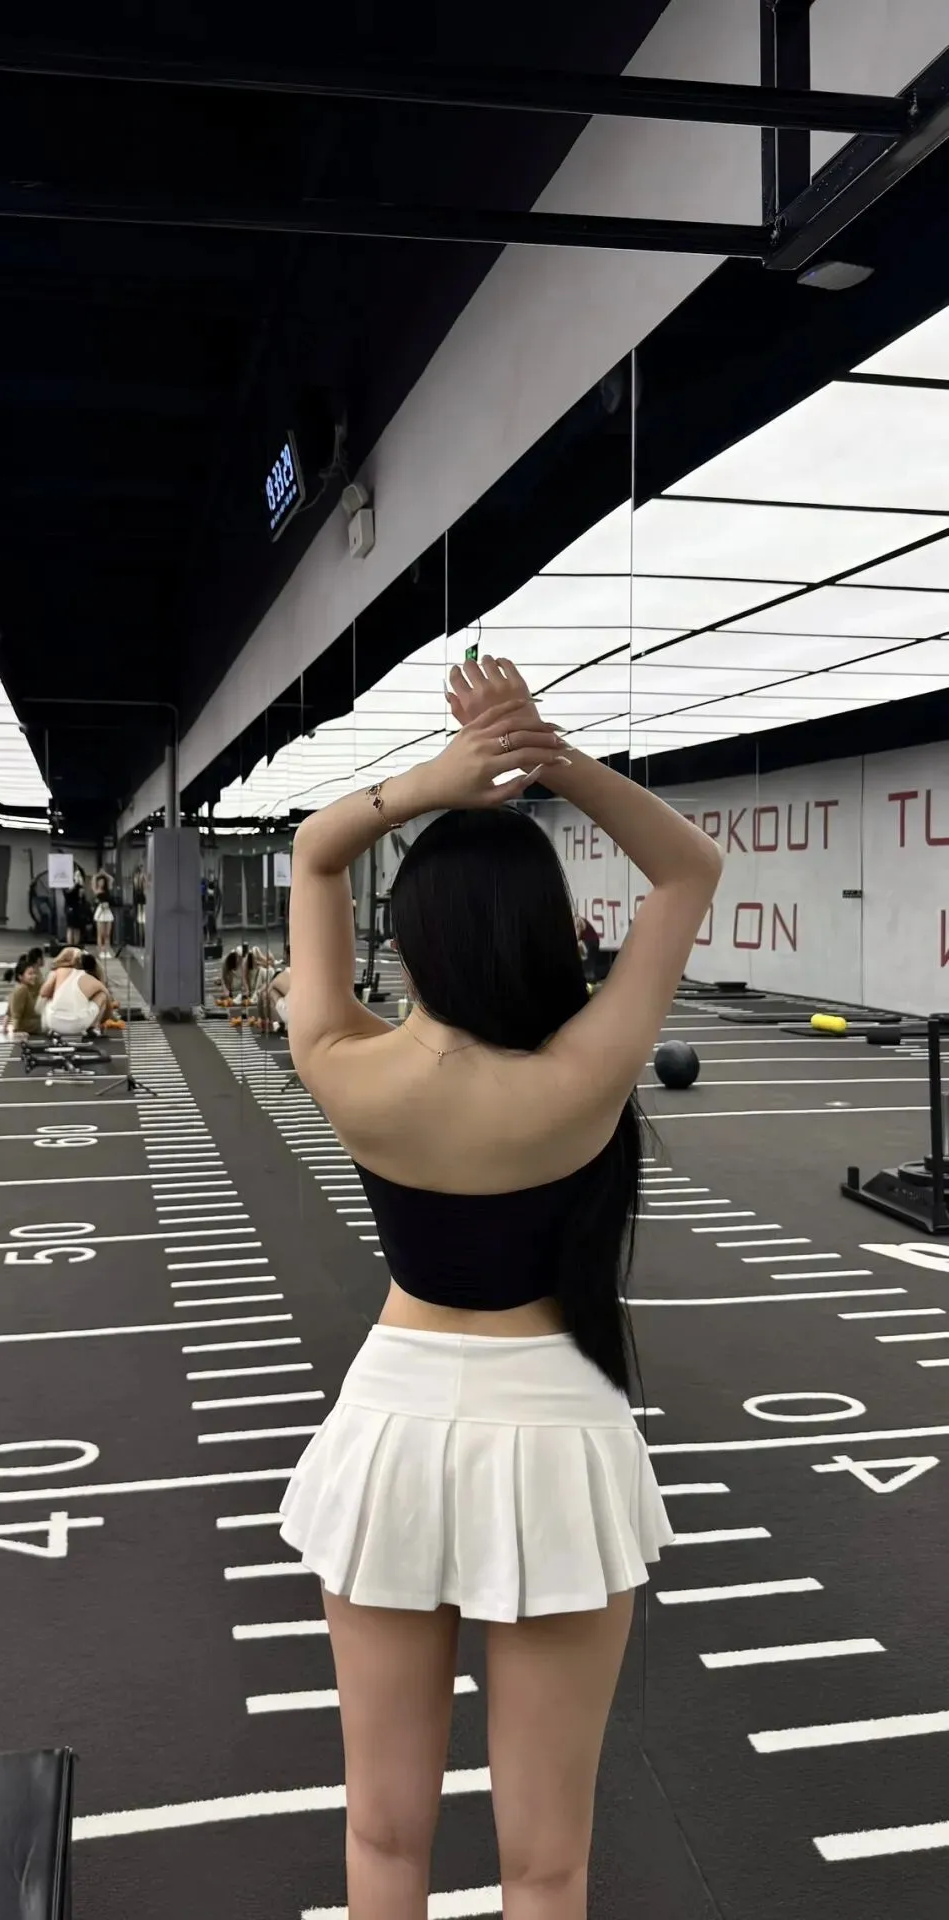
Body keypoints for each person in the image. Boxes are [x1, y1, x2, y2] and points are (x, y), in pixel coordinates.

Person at [278, 654, 723, 1920]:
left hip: (391, 1427)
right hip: (559, 1435)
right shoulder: (581, 1077)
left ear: (407, 941)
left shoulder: (343, 1064)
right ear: (547, 934)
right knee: (547, 1862)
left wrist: (438, 781)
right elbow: (689, 870)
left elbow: (313, 855)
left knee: (383, 1839)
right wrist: (543, 754)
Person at [38, 947, 108, 1036]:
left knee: (51, 995)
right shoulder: (92, 978)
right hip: (79, 1022)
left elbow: (43, 993)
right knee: (101, 995)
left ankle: (51, 1027)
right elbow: (107, 997)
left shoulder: (59, 972)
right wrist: (104, 1020)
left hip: (54, 1020)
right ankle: (93, 1027)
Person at [4, 956, 43, 1037]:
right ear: (20, 977)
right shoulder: (22, 989)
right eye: (30, 974)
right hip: (30, 1028)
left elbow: (9, 1012)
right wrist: (15, 1030)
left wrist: (4, 1028)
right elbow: (16, 1015)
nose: (34, 976)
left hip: (32, 1027)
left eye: (34, 973)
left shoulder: (22, 988)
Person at [92, 869, 115, 954]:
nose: (101, 883)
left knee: (107, 934)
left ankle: (107, 950)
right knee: (100, 934)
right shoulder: (96, 890)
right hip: (100, 911)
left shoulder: (107, 889)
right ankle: (100, 950)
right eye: (100, 882)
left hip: (107, 911)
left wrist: (105, 874)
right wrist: (99, 874)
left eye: (102, 882)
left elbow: (111, 879)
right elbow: (94, 878)